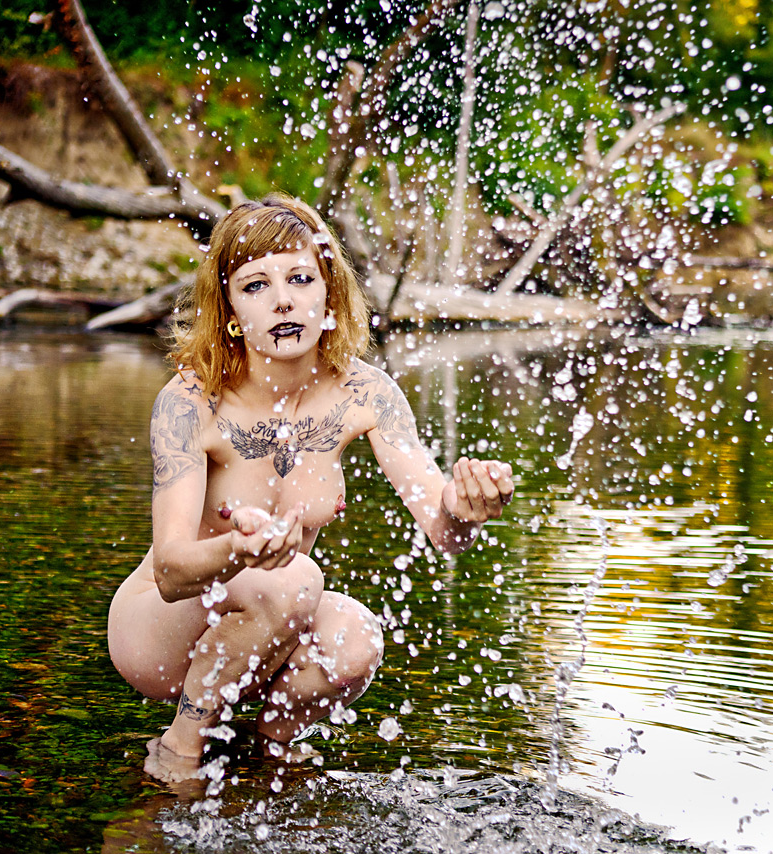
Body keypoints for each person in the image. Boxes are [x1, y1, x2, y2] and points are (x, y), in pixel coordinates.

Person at [107, 193, 514, 782]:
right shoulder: (191, 402)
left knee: (356, 639)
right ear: (229, 310)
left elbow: (444, 533)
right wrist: (238, 551)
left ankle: (271, 754)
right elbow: (170, 572)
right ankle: (181, 749)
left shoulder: (366, 394)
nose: (283, 300)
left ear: (330, 294)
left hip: (268, 623)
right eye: (255, 285)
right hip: (159, 629)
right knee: (294, 578)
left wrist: (467, 506)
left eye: (300, 278)